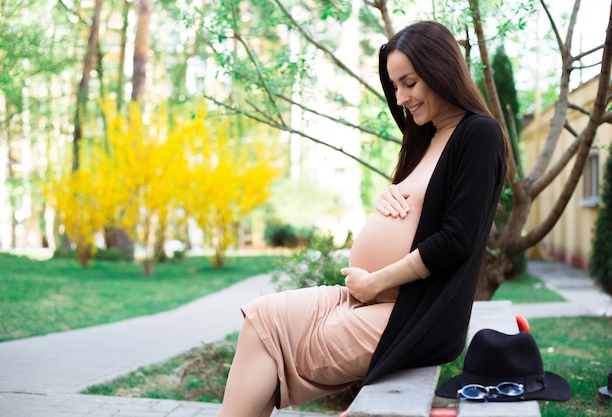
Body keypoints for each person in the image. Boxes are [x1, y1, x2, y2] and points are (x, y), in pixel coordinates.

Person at [215, 20, 507, 417]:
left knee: (274, 343)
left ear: (442, 71)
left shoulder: (479, 133)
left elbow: (457, 239)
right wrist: (392, 192)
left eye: (410, 83)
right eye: (395, 86)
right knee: (261, 317)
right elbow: (423, 204)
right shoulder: (426, 134)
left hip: (409, 315)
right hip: (369, 298)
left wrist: (375, 282)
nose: (401, 97)